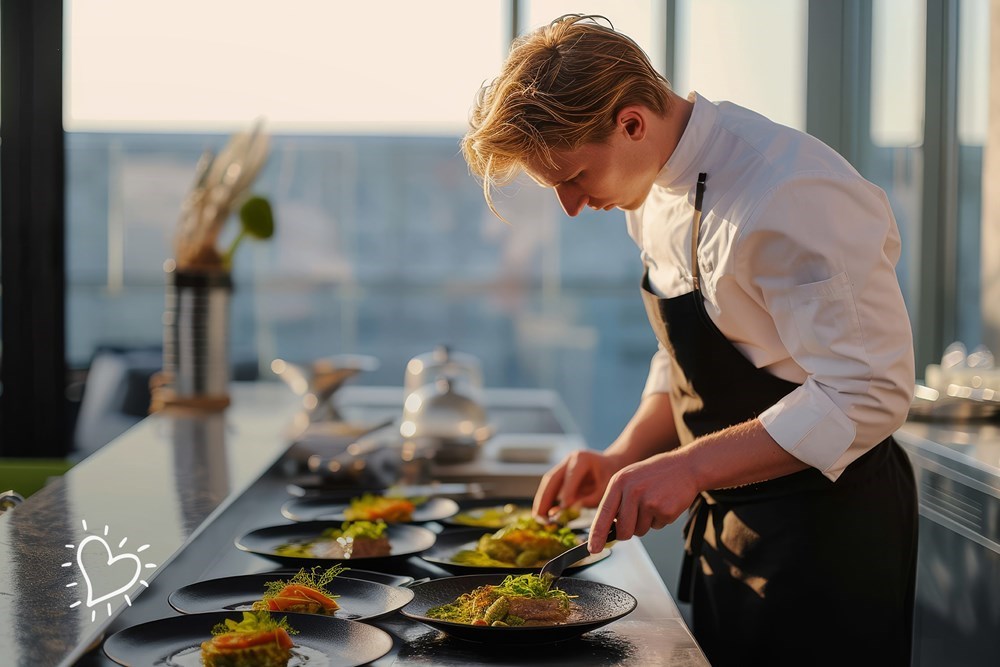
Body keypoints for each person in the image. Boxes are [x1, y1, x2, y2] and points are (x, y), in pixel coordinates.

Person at [460, 14, 918, 667]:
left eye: (574, 177)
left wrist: (691, 465)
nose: (570, 205)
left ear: (631, 123)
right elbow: (688, 351)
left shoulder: (790, 190)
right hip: (729, 525)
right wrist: (626, 454)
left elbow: (869, 390)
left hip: (829, 534)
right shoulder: (649, 191)